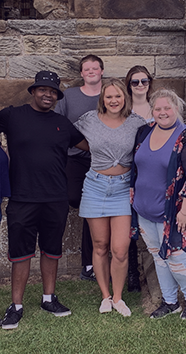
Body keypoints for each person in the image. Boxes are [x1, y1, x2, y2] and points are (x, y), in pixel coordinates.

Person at [0, 71, 88, 330]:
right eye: (43, 90)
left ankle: (49, 298)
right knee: (20, 253)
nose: (48, 95)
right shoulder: (12, 116)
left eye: (53, 92)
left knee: (52, 250)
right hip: (23, 197)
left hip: (55, 198)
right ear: (33, 91)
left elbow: (90, 146)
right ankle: (15, 306)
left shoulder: (62, 124)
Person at [130, 89, 186, 320]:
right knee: (158, 255)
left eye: (168, 107)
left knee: (177, 257)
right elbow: (136, 166)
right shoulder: (144, 132)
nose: (163, 112)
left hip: (176, 212)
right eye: (158, 108)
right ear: (152, 111)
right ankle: (170, 301)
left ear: (177, 109)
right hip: (145, 209)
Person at [74, 78, 146, 317]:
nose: (114, 101)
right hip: (95, 186)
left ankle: (118, 297)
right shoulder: (89, 120)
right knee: (100, 245)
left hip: (124, 188)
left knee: (120, 249)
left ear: (124, 98)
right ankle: (105, 296)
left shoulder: (136, 123)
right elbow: (71, 138)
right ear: (102, 99)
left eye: (118, 96)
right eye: (109, 97)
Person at [55, 54, 104, 282]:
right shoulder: (70, 96)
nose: (91, 71)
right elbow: (56, 123)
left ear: (101, 71)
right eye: (87, 68)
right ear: (82, 73)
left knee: (92, 208)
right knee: (77, 199)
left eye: (95, 67)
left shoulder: (110, 94)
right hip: (75, 158)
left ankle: (90, 264)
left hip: (103, 160)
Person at [124, 65, 154, 292]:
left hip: (153, 172)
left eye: (144, 81)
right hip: (129, 172)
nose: (140, 85)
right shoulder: (124, 111)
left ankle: (157, 274)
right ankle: (132, 274)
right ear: (129, 85)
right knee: (129, 223)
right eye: (135, 82)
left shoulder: (158, 109)